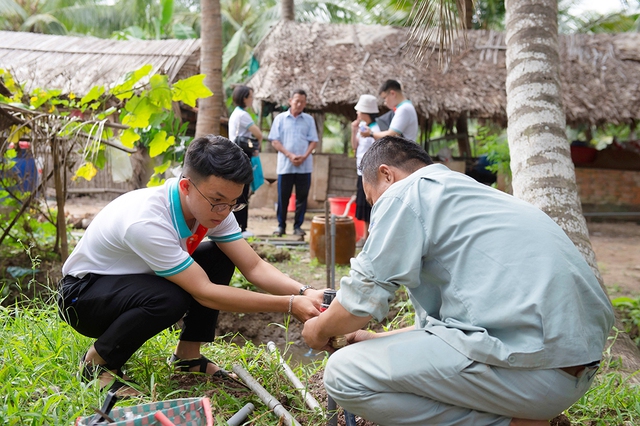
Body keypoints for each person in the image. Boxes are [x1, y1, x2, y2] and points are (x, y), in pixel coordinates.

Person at [302, 136, 614, 426]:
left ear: (387, 175)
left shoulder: (406, 193)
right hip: (570, 373)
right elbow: (457, 328)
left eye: (373, 200)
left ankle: (510, 424)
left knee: (344, 374)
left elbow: (360, 302)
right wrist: (374, 340)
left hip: (531, 373)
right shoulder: (469, 195)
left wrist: (317, 329)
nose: (377, 210)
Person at [58, 135, 323, 396]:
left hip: (130, 283)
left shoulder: (216, 208)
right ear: (186, 187)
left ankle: (188, 357)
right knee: (170, 298)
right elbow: (204, 292)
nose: (225, 211)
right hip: (82, 297)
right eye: (218, 201)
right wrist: (288, 305)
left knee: (220, 256)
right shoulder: (147, 221)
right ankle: (97, 364)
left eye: (234, 203)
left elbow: (253, 266)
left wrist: (304, 292)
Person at [268, 88, 318, 237]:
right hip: (285, 166)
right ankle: (281, 226)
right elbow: (275, 141)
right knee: (283, 197)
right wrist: (289, 155)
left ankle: (298, 227)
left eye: (303, 102)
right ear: (290, 101)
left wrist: (304, 156)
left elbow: (313, 141)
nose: (299, 104)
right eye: (297, 101)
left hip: (304, 166)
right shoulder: (280, 119)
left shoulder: (309, 120)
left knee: (302, 198)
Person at [229, 85, 263, 238]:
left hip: (234, 157)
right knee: (242, 193)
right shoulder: (243, 115)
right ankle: (241, 228)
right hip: (243, 157)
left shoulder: (235, 114)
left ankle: (237, 227)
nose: (252, 99)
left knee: (237, 192)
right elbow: (258, 133)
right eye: (251, 97)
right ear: (244, 98)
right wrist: (257, 146)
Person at [350, 94, 380, 247]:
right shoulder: (362, 128)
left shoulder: (375, 129)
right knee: (362, 205)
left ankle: (369, 237)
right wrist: (353, 130)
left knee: (370, 206)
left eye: (359, 112)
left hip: (370, 173)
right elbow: (355, 147)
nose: (357, 114)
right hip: (360, 171)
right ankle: (365, 236)